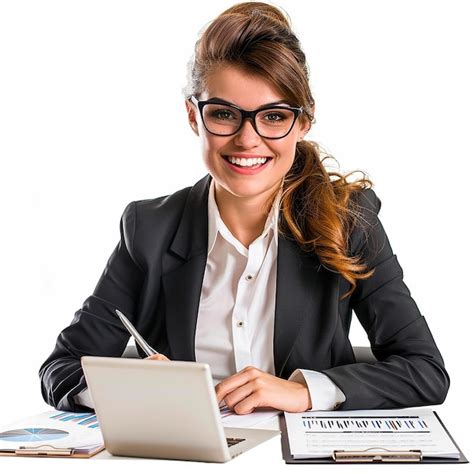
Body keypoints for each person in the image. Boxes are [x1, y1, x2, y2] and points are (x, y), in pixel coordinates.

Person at [39, 1, 449, 414]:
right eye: (224, 114)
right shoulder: (149, 229)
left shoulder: (350, 220)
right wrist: (134, 390)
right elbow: (60, 369)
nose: (247, 140)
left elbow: (425, 369)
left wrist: (306, 391)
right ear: (193, 117)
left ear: (303, 122)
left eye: (272, 116)